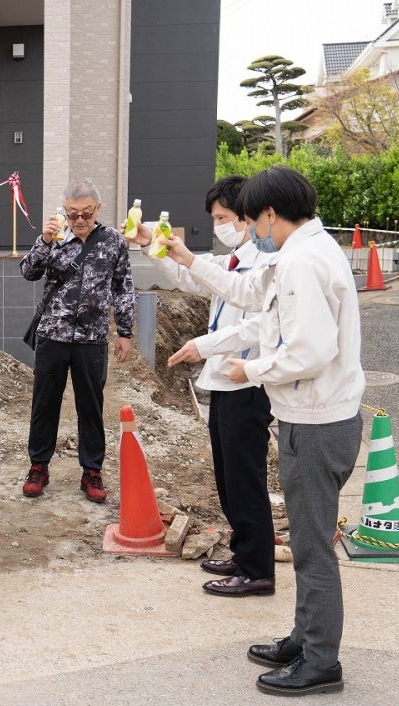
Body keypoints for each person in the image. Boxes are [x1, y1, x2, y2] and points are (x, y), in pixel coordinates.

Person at [157, 166, 364, 696]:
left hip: (317, 423)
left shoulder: (304, 262)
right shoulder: (301, 255)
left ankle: (321, 662)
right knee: (308, 539)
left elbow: (309, 351)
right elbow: (252, 298)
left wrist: (252, 370)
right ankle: (306, 635)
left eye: (251, 219)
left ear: (272, 213)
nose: (250, 230)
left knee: (314, 548)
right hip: (311, 418)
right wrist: (189, 266)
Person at [142, 176, 278, 598]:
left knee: (244, 478)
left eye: (223, 217)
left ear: (247, 215)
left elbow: (257, 317)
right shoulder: (237, 257)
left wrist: (205, 347)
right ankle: (244, 552)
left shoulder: (264, 261)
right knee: (227, 475)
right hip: (224, 380)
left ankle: (257, 570)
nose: (218, 225)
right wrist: (158, 248)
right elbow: (192, 278)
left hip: (246, 380)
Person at [19, 179, 135, 503]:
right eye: (72, 214)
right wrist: (43, 240)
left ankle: (92, 470)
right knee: (44, 403)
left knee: (91, 406)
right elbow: (28, 271)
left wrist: (125, 332)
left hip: (92, 337)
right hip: (52, 333)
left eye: (85, 213)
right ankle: (38, 466)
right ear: (64, 212)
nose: (79, 220)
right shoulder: (54, 238)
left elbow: (123, 288)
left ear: (97, 209)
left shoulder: (113, 242)